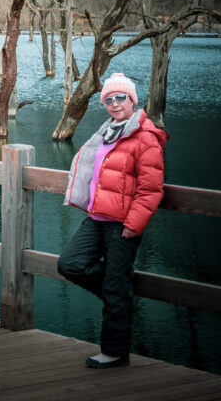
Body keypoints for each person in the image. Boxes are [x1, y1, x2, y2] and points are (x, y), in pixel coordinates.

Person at [57, 72, 167, 369]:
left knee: (117, 286)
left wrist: (134, 224)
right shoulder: (108, 130)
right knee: (69, 263)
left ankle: (115, 352)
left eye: (121, 97)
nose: (115, 103)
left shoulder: (146, 138)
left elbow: (151, 188)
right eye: (109, 99)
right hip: (96, 218)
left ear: (132, 100)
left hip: (123, 224)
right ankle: (116, 291)